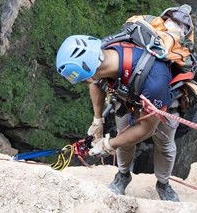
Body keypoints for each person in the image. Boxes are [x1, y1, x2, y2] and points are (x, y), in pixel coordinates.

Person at [55, 31, 182, 202]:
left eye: (85, 79)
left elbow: (147, 129)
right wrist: (97, 119)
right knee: (124, 139)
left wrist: (108, 145)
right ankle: (123, 175)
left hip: (160, 101)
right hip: (127, 96)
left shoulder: (155, 82)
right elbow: (95, 82)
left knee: (165, 144)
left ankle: (163, 183)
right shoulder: (103, 53)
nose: (88, 82)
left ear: (92, 71)